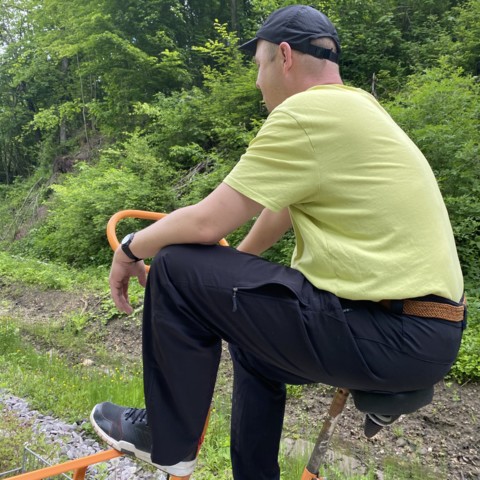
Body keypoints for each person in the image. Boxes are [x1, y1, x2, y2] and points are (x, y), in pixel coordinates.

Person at [90, 5, 466, 480]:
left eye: (258, 65)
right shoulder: (359, 108)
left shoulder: (307, 113)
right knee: (252, 342)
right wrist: (223, 276)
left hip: (390, 330)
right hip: (425, 330)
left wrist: (130, 248)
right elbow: (281, 210)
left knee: (175, 264)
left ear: (284, 56)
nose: (257, 82)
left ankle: (164, 439)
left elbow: (205, 222)